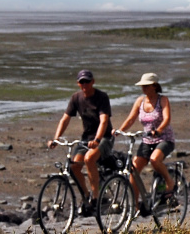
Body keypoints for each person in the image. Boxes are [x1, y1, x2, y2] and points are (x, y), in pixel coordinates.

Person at [47, 69, 112, 214]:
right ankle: (86, 196)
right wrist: (56, 138)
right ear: (78, 83)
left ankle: (96, 198)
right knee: (74, 167)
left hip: (104, 137)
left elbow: (104, 121)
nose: (85, 84)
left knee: (89, 159)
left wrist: (97, 139)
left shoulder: (101, 97)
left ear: (92, 82)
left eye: (87, 81)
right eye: (82, 82)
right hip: (86, 138)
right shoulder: (76, 98)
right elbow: (65, 119)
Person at [114, 72, 176, 210]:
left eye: (146, 86)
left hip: (164, 138)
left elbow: (167, 119)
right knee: (134, 170)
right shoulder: (140, 101)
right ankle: (135, 207)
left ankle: (169, 183)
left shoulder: (163, 100)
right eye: (142, 86)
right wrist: (119, 130)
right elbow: (131, 119)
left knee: (155, 160)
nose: (144, 89)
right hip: (147, 140)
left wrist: (159, 130)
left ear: (154, 86)